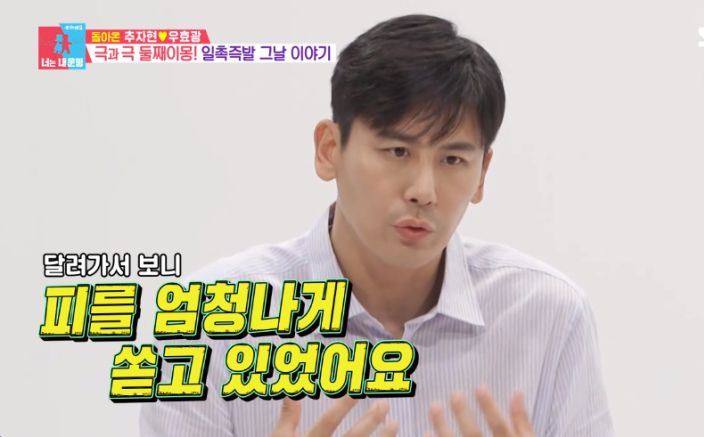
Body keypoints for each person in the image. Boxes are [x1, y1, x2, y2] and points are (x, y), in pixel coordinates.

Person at [140, 14, 614, 437]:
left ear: (482, 174)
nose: (423, 190)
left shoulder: (548, 315)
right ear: (329, 150)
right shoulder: (203, 325)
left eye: (452, 159)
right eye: (397, 152)